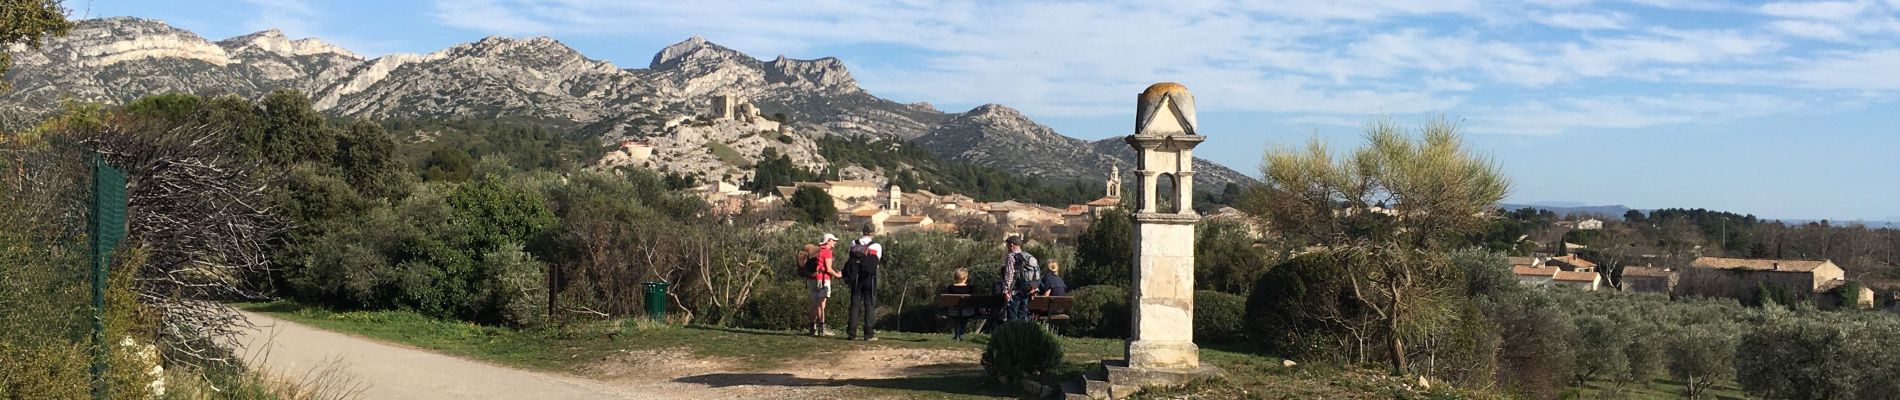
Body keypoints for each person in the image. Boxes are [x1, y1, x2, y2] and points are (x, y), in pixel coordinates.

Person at [843, 224, 883, 341]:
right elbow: (877, 261)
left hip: (856, 277)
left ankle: (851, 334)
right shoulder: (876, 246)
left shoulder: (854, 243)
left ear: (863, 231)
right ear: (873, 232)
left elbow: (850, 257)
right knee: (869, 304)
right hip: (869, 278)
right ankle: (868, 334)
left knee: (854, 305)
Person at [807, 234, 842, 336]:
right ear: (828, 240)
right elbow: (829, 269)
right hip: (823, 279)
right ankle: (821, 329)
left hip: (812, 278)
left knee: (813, 304)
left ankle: (812, 328)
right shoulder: (827, 252)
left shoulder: (817, 250)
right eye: (834, 240)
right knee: (821, 304)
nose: (835, 242)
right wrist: (837, 275)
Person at [997, 236, 1038, 322]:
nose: (1007, 247)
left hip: (1014, 293)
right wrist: (1034, 289)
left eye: (1007, 245)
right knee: (1023, 318)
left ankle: (1013, 335)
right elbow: (1036, 274)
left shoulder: (1011, 257)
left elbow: (1009, 275)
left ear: (1011, 245)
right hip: (1026, 292)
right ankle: (1023, 335)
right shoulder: (1028, 257)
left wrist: (1006, 291)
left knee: (1012, 318)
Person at [943, 268, 975, 341]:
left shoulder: (950, 287)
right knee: (964, 316)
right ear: (966, 277)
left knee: (957, 317)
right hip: (967, 312)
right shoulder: (970, 288)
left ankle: (958, 334)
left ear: (955, 278)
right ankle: (960, 334)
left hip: (953, 311)